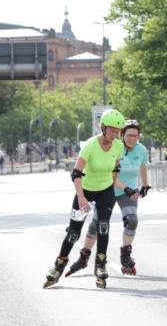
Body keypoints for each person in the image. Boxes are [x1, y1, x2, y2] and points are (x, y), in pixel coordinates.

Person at [44, 109, 127, 289]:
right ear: (103, 127)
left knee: (103, 227)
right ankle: (58, 266)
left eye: (118, 131)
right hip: (85, 191)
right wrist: (81, 198)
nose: (114, 134)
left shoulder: (118, 146)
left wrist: (114, 185)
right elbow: (76, 173)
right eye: (112, 130)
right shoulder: (90, 145)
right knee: (74, 233)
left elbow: (116, 167)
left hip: (105, 190)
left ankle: (100, 265)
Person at [66, 119, 151, 278]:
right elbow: (112, 177)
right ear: (122, 135)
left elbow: (143, 166)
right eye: (129, 135)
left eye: (136, 136)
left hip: (128, 192)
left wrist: (146, 185)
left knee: (132, 220)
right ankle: (84, 257)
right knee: (97, 226)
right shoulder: (115, 147)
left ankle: (125, 254)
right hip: (108, 190)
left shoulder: (141, 149)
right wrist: (126, 188)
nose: (132, 139)